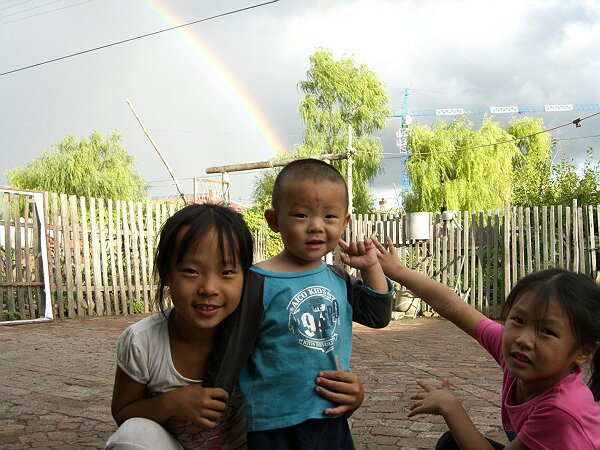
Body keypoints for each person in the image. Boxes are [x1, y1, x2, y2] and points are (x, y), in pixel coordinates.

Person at [105, 203, 366, 450]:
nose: (208, 288)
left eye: (227, 272)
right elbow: (124, 413)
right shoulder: (142, 342)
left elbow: (306, 400)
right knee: (133, 436)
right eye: (191, 272)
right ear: (166, 273)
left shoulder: (268, 334)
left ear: (248, 276)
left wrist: (351, 398)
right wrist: (172, 403)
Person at [203, 159, 394, 450]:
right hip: (272, 424)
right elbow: (232, 347)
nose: (316, 227)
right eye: (301, 215)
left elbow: (378, 316)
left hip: (331, 415)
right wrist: (213, 402)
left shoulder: (338, 278)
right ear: (274, 220)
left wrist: (371, 268)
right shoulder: (256, 282)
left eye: (329, 217)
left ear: (344, 222)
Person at [373, 235, 600, 450]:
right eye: (518, 320)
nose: (523, 339)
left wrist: (450, 406)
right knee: (452, 444)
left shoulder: (560, 410)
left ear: (583, 352)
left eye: (547, 331)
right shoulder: (515, 352)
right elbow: (452, 306)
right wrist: (399, 271)